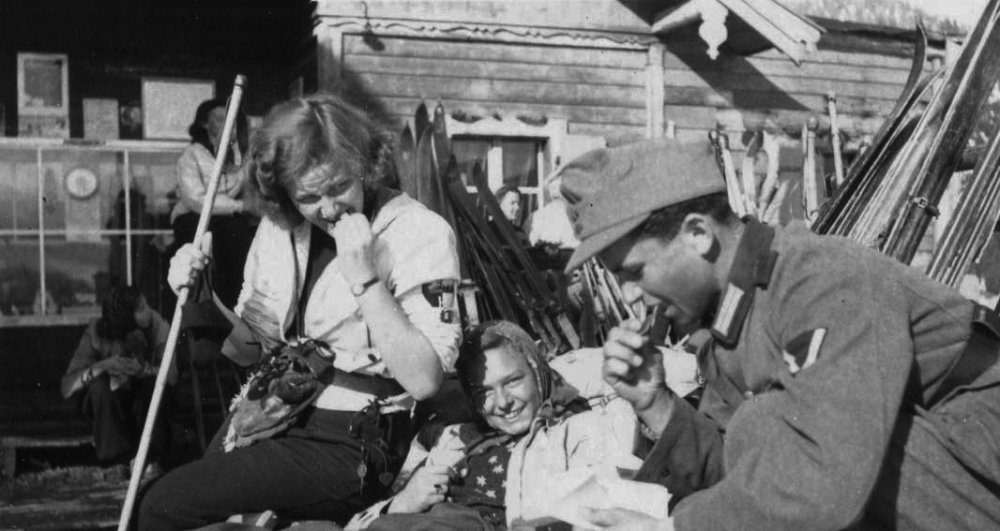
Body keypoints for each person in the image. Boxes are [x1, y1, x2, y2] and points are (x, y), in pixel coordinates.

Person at [552, 138, 1000, 530]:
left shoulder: (822, 278)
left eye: (634, 272)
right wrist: (656, 403)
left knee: (769, 424)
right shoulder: (729, 322)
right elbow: (743, 479)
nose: (630, 296)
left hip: (981, 468)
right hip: (930, 483)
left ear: (698, 233)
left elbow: (825, 476)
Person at [137, 94, 462, 529]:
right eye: (308, 195)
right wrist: (202, 298)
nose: (328, 209)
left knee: (164, 506)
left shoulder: (419, 232)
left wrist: (366, 281)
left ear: (364, 165)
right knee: (163, 504)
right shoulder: (282, 229)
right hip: (277, 409)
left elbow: (424, 380)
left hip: (355, 438)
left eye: (339, 186)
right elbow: (253, 350)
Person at [349, 320, 639, 531]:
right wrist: (403, 502)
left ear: (537, 369)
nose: (502, 403)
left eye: (512, 381)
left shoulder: (582, 429)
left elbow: (605, 514)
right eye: (484, 392)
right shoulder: (456, 439)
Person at [61, 285, 175, 469]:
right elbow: (67, 387)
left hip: (143, 405)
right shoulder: (97, 331)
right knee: (100, 388)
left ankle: (151, 458)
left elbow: (172, 376)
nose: (148, 311)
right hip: (111, 410)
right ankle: (117, 462)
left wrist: (143, 370)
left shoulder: (158, 326)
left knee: (154, 385)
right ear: (126, 317)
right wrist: (101, 367)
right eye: (141, 309)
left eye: (146, 305)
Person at [170, 98, 255, 309]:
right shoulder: (192, 155)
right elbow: (196, 199)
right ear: (204, 124)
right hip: (194, 217)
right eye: (219, 119)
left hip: (226, 219)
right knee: (203, 257)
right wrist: (240, 206)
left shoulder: (236, 156)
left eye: (230, 118)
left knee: (243, 243)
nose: (227, 123)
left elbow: (246, 187)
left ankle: (235, 310)